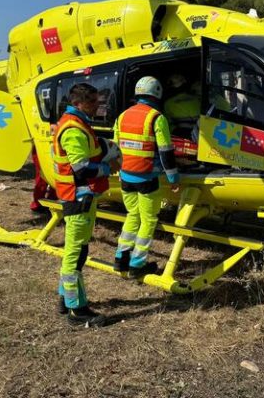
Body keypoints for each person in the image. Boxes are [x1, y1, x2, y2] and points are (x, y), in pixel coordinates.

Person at [52, 83, 117, 327]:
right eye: (93, 102)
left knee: (75, 250)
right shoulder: (73, 128)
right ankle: (77, 311)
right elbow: (81, 167)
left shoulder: (76, 123)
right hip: (79, 196)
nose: (98, 105)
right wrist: (108, 168)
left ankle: (65, 300)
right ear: (79, 103)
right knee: (76, 254)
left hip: (78, 196)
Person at [113, 76, 180, 277]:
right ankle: (137, 264)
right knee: (148, 220)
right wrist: (173, 178)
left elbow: (115, 148)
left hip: (126, 176)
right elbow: (166, 151)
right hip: (147, 178)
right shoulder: (156, 118)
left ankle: (121, 258)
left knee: (132, 216)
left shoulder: (122, 116)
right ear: (157, 94)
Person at [163, 74, 201, 139]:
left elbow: (167, 124)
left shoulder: (168, 103)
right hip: (200, 134)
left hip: (181, 137)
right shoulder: (197, 99)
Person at [30, 144, 57, 213]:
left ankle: (53, 200)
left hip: (54, 146)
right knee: (42, 176)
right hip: (41, 147)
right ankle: (37, 204)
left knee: (56, 176)